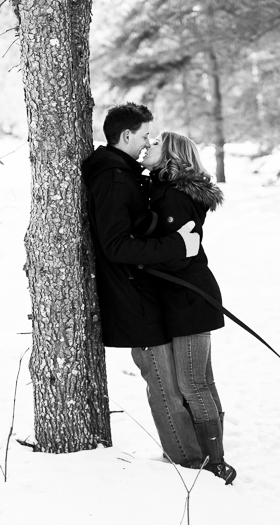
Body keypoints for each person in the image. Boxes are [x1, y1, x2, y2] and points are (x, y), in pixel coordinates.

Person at [81, 103, 204, 469]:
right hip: (131, 295)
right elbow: (116, 245)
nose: (149, 141)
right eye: (146, 135)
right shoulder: (113, 178)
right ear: (127, 136)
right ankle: (188, 463)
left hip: (147, 290)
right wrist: (178, 246)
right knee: (164, 385)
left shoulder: (126, 172)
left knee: (176, 384)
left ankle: (197, 455)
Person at [141, 131, 236, 485]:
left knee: (193, 384)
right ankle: (216, 458)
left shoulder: (173, 196)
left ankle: (215, 462)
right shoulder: (167, 190)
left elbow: (181, 253)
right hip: (189, 295)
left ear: (171, 156)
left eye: (155, 144)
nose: (147, 146)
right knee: (201, 382)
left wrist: (140, 258)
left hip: (188, 298)